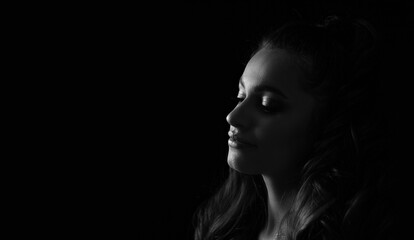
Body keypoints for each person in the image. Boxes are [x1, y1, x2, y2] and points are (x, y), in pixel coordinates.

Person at [192, 15, 393, 240]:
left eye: (267, 105)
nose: (233, 116)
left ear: (328, 123)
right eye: (241, 96)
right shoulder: (222, 228)